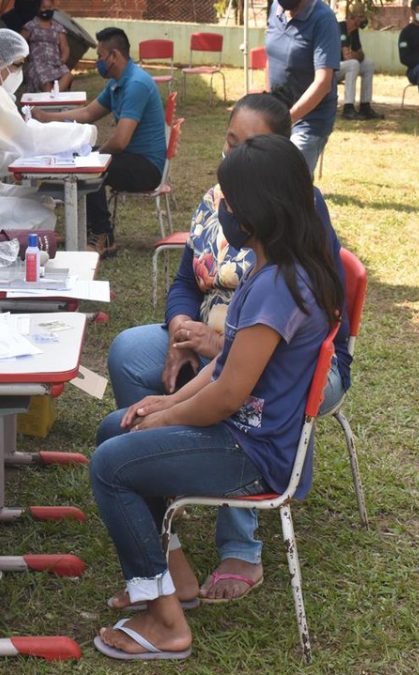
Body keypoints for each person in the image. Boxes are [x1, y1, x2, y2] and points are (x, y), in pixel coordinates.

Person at [90, 133, 343, 660]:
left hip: (252, 453)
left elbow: (229, 394)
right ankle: (171, 578)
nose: (219, 209)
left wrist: (164, 420)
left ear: (255, 214)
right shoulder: (270, 267)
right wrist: (164, 406)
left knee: (111, 464)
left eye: (228, 202)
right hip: (240, 436)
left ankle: (165, 623)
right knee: (113, 429)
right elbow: (227, 361)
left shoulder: (279, 285)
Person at [29, 27, 167, 257]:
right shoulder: (116, 83)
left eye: (100, 56)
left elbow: (121, 140)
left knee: (92, 168)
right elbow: (88, 113)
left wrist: (95, 156)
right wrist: (46, 118)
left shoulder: (136, 84)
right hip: (130, 158)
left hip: (147, 167)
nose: (97, 62)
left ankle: (102, 236)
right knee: (86, 160)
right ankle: (87, 229)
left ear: (114, 56)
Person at [0, 30, 96, 240]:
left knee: (41, 200)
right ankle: (28, 263)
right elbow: (28, 138)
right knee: (38, 213)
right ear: (0, 63)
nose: (20, 72)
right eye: (18, 65)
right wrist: (81, 133)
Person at [265, 0, 341, 173]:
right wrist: (268, 105)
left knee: (289, 178)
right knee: (267, 174)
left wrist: (286, 119)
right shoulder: (276, 9)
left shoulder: (324, 19)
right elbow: (271, 58)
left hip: (310, 119)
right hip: (277, 113)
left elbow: (323, 83)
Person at [337, 13, 385, 120]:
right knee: (353, 64)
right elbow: (347, 56)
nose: (363, 20)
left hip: (342, 66)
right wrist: (354, 55)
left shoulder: (354, 32)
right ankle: (348, 108)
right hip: (330, 68)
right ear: (350, 17)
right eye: (360, 17)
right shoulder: (340, 27)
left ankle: (365, 106)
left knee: (368, 64)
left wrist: (354, 55)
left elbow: (361, 55)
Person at [21, 0, 74, 92]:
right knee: (45, 81)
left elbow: (65, 48)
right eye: (44, 7)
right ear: (38, 9)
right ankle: (50, 99)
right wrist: (25, 58)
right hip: (37, 64)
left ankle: (52, 96)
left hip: (55, 63)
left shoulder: (58, 28)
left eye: (49, 8)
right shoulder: (31, 26)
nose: (47, 10)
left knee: (67, 75)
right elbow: (20, 41)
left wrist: (62, 60)